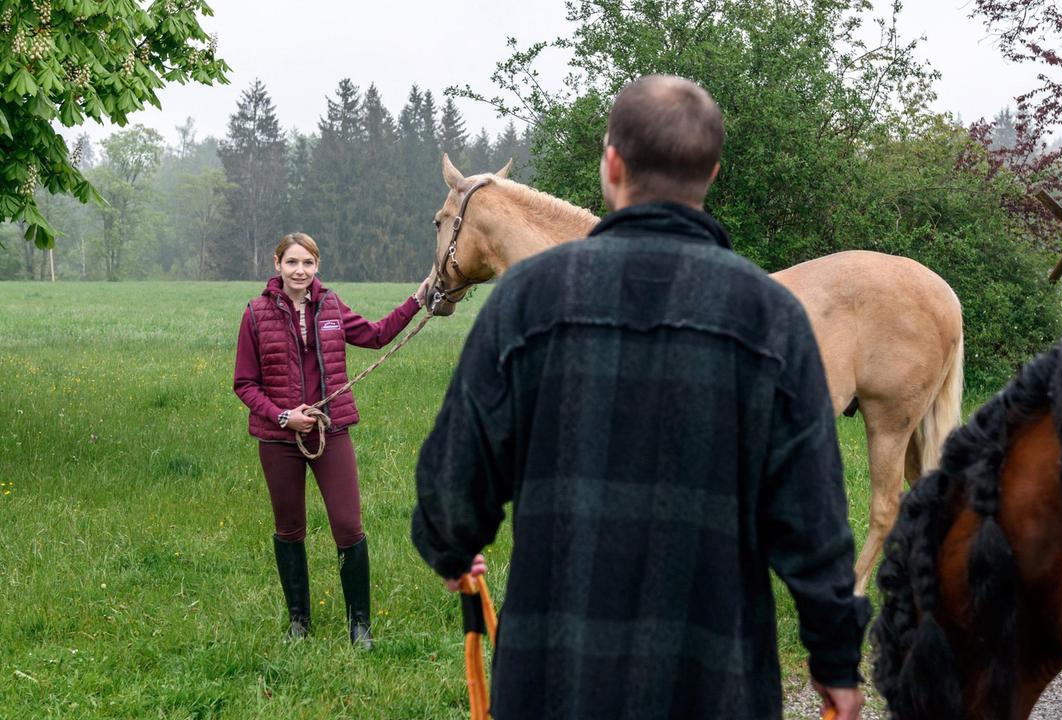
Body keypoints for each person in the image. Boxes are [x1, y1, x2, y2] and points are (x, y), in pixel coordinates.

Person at [411, 76, 870, 718]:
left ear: (612, 164)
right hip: (714, 684)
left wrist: (450, 546)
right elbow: (813, 514)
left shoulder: (528, 300)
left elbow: (453, 482)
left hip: (553, 679)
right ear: (710, 174)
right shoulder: (770, 316)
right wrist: (835, 660)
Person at [234, 232, 429, 650]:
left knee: (348, 525)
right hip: (278, 438)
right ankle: (299, 623)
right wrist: (284, 416)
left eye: (307, 263)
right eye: (292, 263)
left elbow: (376, 335)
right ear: (277, 265)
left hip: (331, 430)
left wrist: (417, 300)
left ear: (317, 266)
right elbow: (244, 383)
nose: (300, 270)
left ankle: (360, 626)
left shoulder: (332, 307)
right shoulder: (255, 314)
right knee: (289, 529)